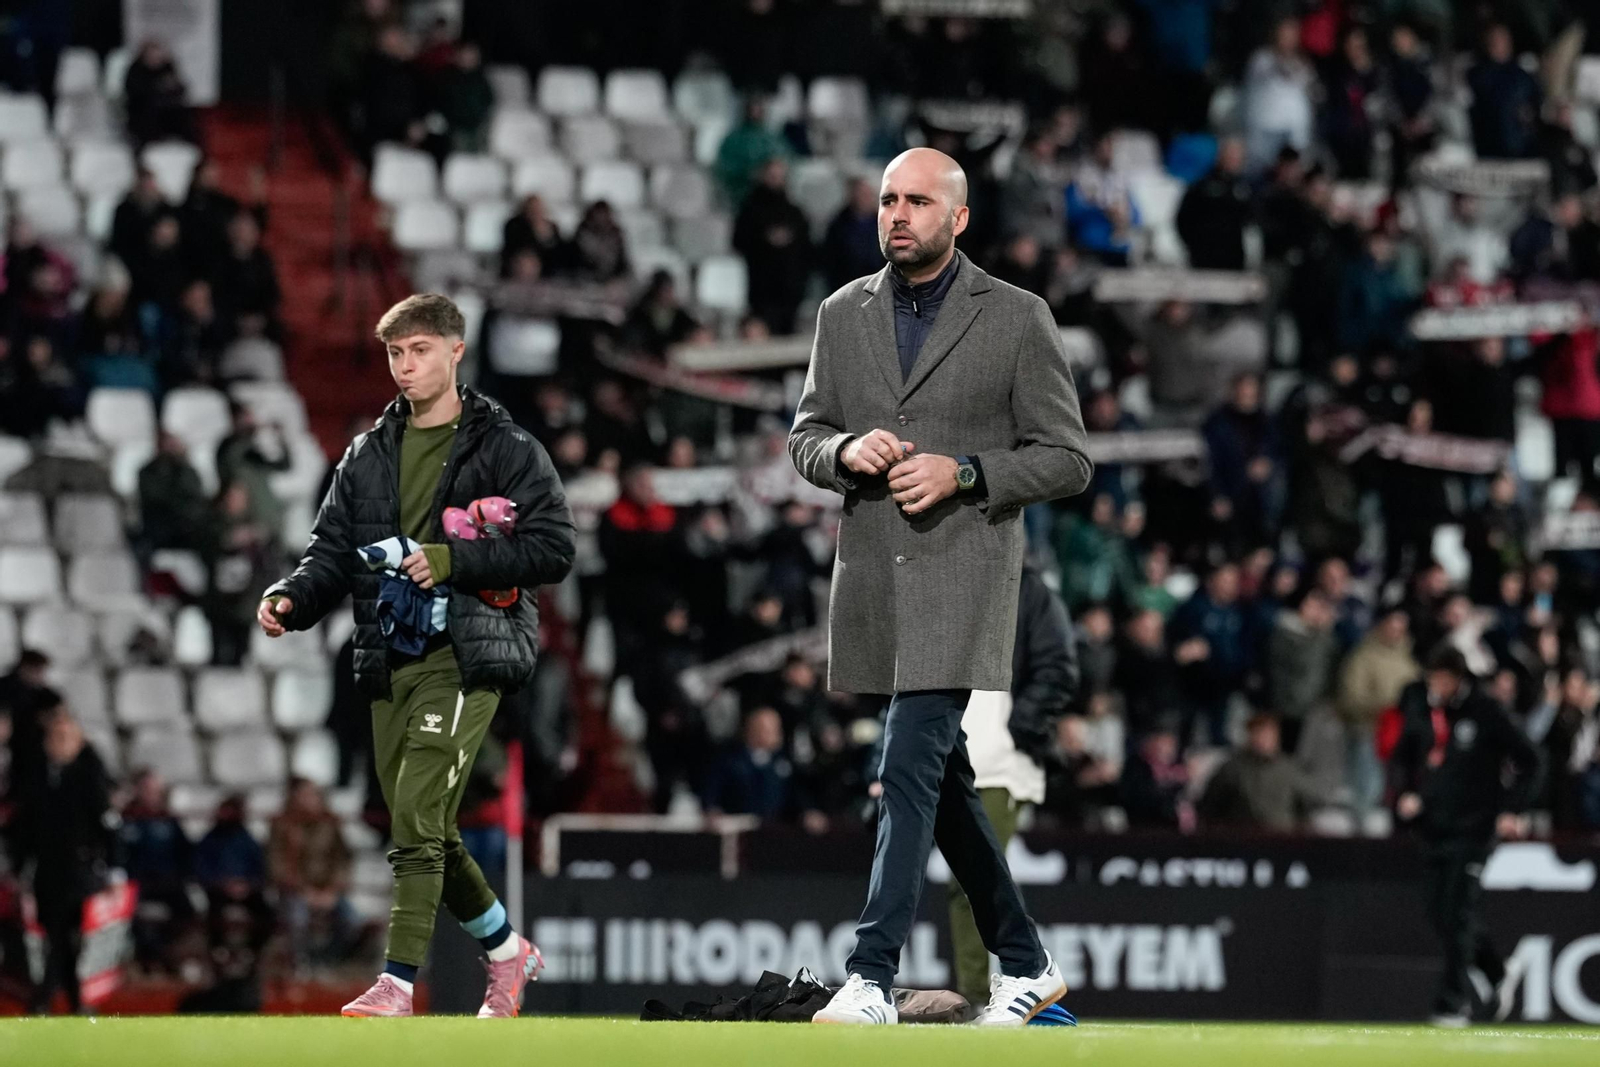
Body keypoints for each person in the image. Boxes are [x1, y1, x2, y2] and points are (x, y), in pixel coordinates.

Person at [789, 147, 1091, 1026]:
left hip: (965, 574)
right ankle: (1028, 963)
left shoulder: (1019, 316)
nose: (898, 214)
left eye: (918, 200)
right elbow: (805, 435)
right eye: (888, 199)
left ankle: (871, 975)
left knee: (905, 762)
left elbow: (1068, 458)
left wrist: (964, 472)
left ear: (959, 218)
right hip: (877, 580)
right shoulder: (842, 313)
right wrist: (844, 451)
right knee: (942, 776)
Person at [257, 294, 576, 1018]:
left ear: (456, 352)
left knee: (414, 817)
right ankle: (505, 950)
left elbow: (556, 546)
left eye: (420, 350)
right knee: (423, 821)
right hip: (387, 653)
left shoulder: (506, 446)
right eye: (396, 353)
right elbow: (330, 553)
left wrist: (450, 558)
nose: (405, 366)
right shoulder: (369, 453)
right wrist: (290, 598)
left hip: (467, 649)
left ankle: (397, 983)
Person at [1389, 648, 1544, 1026]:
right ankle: (1495, 972)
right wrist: (1405, 792)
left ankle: (1452, 1002)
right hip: (1434, 829)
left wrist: (1513, 809)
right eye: (1432, 679)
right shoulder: (1422, 708)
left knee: (1459, 915)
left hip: (1474, 830)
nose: (1435, 687)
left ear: (1458, 677)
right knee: (1438, 913)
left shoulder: (1486, 711)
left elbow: (1532, 760)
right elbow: (1402, 757)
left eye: (1441, 679)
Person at [948, 562, 1076, 1009]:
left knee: (973, 881)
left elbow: (1058, 665)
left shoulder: (1030, 589)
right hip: (946, 752)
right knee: (968, 882)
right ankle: (990, 990)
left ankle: (993, 990)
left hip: (1000, 763)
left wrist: (1019, 728)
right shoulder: (947, 580)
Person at [14, 710, 113, 1014]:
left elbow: (105, 825)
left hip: (78, 870)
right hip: (46, 869)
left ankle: (45, 997)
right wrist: (20, 868)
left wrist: (113, 869)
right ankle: (73, 999)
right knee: (57, 935)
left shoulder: (89, 775)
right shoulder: (36, 777)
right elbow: (25, 828)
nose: (59, 743)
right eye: (54, 737)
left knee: (64, 933)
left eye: (66, 737)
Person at [1198, 712, 1320, 831]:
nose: (1263, 739)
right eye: (1258, 733)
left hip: (1282, 841)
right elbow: (1210, 806)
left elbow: (1305, 807)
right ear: (1249, 735)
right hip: (1242, 841)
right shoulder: (1232, 769)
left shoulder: (1289, 769)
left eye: (1268, 734)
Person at [733, 157, 813, 336]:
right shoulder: (749, 210)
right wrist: (765, 240)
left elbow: (806, 249)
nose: (775, 180)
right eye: (772, 175)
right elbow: (739, 241)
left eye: (779, 176)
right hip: (762, 289)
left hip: (790, 290)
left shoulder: (794, 212)